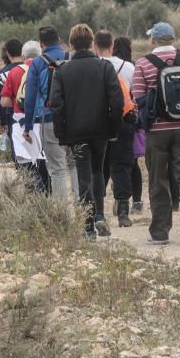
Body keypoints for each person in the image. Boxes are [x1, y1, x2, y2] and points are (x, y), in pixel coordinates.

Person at [132, 21, 180, 246]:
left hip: (156, 132)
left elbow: (137, 99)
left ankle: (160, 232)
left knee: (158, 179)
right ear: (173, 39)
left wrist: (145, 124)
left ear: (153, 40)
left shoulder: (143, 64)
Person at [50, 24, 125, 239]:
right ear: (91, 43)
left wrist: (61, 135)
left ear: (71, 44)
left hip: (76, 132)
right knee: (98, 171)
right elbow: (117, 101)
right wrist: (114, 128)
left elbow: (56, 105)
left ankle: (88, 224)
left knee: (84, 175)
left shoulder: (62, 70)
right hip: (101, 129)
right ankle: (100, 214)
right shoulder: (104, 67)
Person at [24, 26, 77, 200]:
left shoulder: (38, 63)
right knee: (76, 164)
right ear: (60, 39)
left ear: (41, 43)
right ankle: (82, 208)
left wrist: (28, 126)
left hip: (50, 119)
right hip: (75, 119)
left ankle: (61, 212)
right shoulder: (72, 58)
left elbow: (30, 98)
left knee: (57, 168)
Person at [96, 30, 137, 227]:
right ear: (112, 46)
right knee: (122, 167)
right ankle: (123, 213)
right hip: (123, 121)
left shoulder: (93, 67)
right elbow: (134, 94)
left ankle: (98, 213)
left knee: (100, 168)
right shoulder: (128, 67)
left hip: (99, 123)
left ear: (95, 46)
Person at [0, 40, 50, 192]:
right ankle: (47, 195)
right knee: (43, 160)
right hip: (44, 121)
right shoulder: (47, 69)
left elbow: (4, 101)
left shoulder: (15, 72)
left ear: (22, 56)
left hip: (21, 122)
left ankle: (34, 193)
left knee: (26, 162)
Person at [114, 36, 145, 213]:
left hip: (114, 117)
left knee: (116, 163)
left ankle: (120, 199)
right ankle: (138, 202)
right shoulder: (132, 66)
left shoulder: (108, 65)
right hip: (131, 117)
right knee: (133, 163)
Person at [0, 38, 25, 162]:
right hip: (33, 114)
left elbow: (2, 100)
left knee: (17, 150)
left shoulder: (3, 74)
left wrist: (2, 121)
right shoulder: (29, 68)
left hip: (12, 115)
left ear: (7, 53)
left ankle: (24, 174)